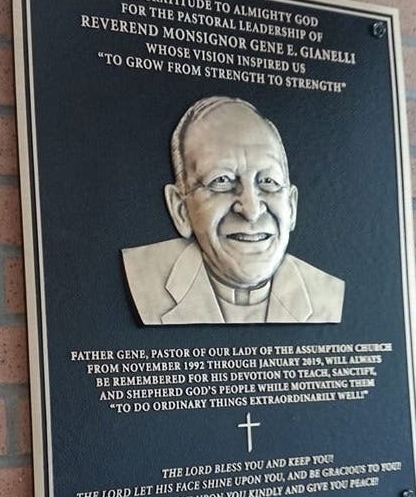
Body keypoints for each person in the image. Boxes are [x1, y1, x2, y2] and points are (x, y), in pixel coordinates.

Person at [122, 96, 345, 325]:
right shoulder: (143, 276)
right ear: (181, 209)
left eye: (269, 181)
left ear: (291, 205)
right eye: (222, 180)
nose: (251, 210)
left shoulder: (327, 295)